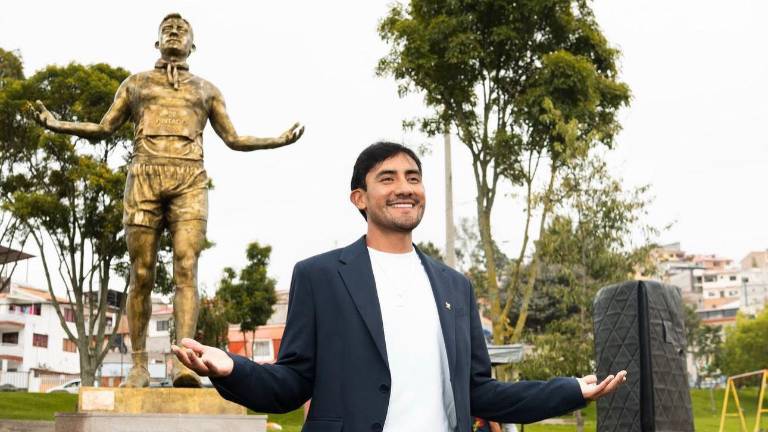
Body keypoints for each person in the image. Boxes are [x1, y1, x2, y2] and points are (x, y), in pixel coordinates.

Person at [172, 142, 626, 430]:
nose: (404, 188)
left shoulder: (455, 288)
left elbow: (479, 393)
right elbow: (291, 384)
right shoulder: (320, 276)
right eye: (386, 179)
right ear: (360, 198)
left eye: (413, 178)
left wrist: (569, 390)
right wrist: (230, 369)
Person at [31, 13, 304, 388]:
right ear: (157, 42)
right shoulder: (136, 83)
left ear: (193, 44)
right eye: (167, 29)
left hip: (189, 179)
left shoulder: (206, 90)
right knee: (141, 273)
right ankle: (139, 366)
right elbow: (104, 127)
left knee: (186, 268)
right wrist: (56, 124)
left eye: (182, 29)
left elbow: (234, 139)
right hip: (144, 177)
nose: (174, 32)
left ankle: (185, 365)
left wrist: (278, 140)